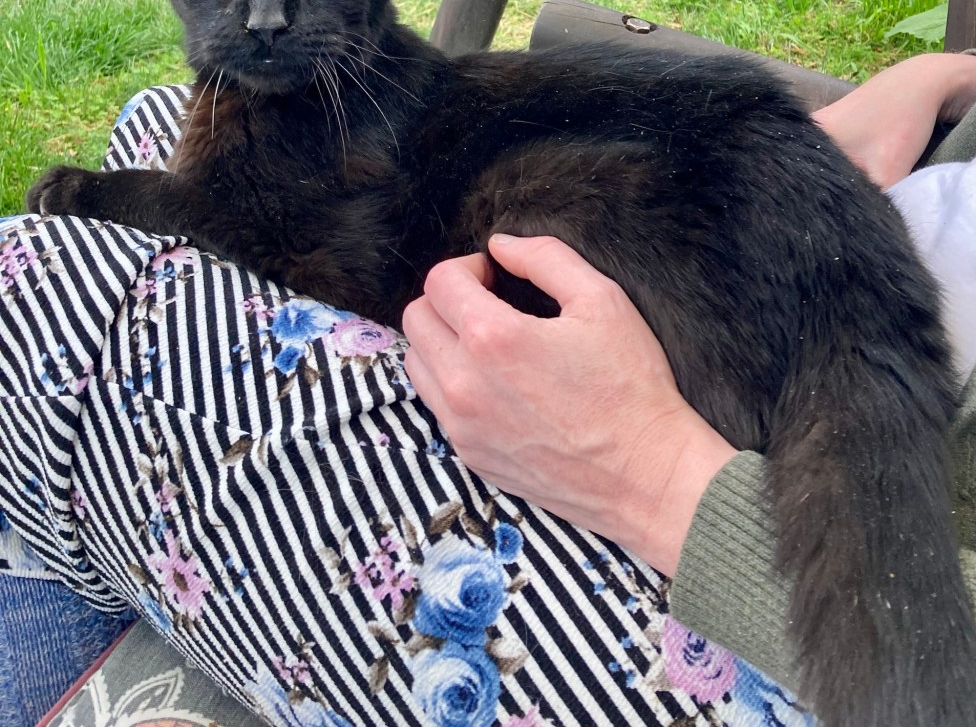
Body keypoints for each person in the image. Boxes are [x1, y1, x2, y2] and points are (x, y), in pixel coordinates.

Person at [0, 52, 975, 727]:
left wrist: (648, 473)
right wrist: (928, 96)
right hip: (833, 288)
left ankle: (85, 569)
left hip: (817, 545)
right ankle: (92, 558)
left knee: (45, 283)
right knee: (170, 135)